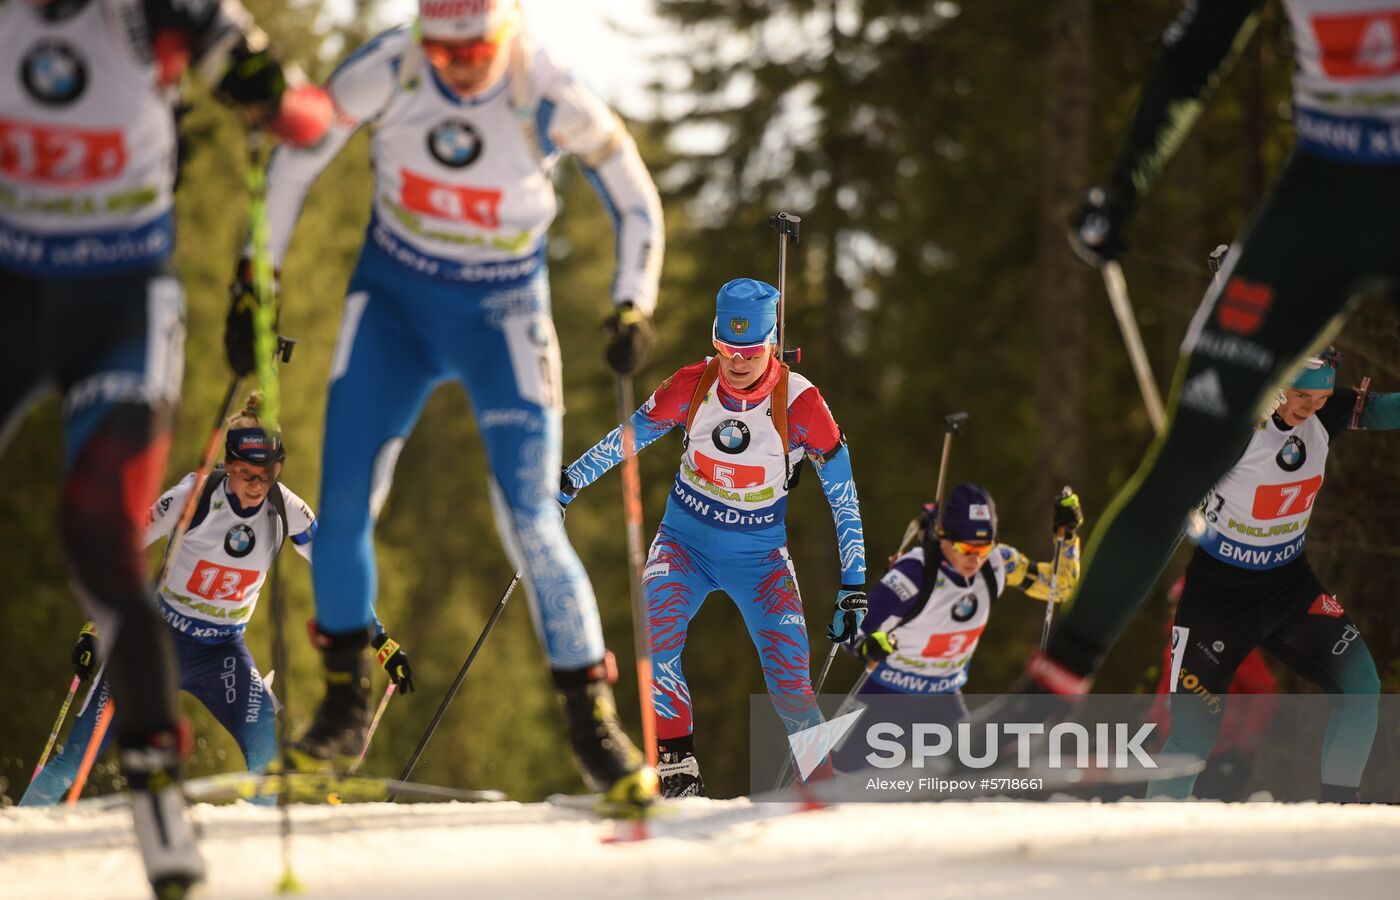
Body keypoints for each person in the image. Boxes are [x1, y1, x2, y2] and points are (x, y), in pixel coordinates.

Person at [237, 0, 665, 805]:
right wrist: (256, 278)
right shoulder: (392, 65)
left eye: (476, 51)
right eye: (444, 50)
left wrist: (631, 301)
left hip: (502, 314)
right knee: (344, 504)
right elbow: (296, 163)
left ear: (508, 35)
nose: (459, 66)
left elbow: (635, 196)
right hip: (393, 304)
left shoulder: (549, 89)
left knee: (530, 515)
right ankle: (340, 709)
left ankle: (593, 723)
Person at [1, 0, 329, 892]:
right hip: (16, 289)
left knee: (99, 536)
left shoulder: (162, 12)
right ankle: (40, 811)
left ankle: (153, 786)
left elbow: (297, 113)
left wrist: (281, 99)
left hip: (122, 302)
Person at [1024, 0, 1400, 721]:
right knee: (1191, 450)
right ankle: (1046, 697)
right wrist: (1125, 180)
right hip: (1318, 198)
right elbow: (1195, 51)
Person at [560, 277, 867, 797]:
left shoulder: (802, 403)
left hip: (760, 558)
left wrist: (853, 582)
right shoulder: (692, 385)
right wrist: (568, 481)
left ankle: (822, 784)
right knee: (654, 638)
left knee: (791, 682)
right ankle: (678, 768)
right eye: (726, 348)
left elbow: (843, 494)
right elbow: (628, 438)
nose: (737, 361)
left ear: (771, 343)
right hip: (685, 545)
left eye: (749, 350)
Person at [21, 395, 320, 807]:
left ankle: (254, 858)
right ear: (228, 465)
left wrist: (375, 638)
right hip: (155, 642)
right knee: (73, 763)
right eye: (246, 473)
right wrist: (95, 627)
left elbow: (334, 568)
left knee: (267, 761)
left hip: (221, 653)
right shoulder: (192, 496)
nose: (256, 485)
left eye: (266, 475)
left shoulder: (288, 510)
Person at [1141, 352, 1394, 800]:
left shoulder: (1324, 412)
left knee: (1362, 687)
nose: (1309, 410)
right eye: (1300, 397)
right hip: (1218, 602)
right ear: (1277, 384)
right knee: (1193, 736)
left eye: (1319, 399)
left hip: (1289, 590)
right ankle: (1153, 839)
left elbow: (1383, 410)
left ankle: (1337, 815)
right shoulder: (1235, 431)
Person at [849, 484, 1082, 723]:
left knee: (973, 759)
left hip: (943, 698)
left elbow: (1060, 586)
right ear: (944, 538)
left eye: (984, 547)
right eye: (967, 548)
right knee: (836, 761)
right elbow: (850, 627)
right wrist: (866, 645)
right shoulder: (914, 573)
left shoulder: (998, 562)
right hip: (888, 695)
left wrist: (1068, 534)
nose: (976, 558)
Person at [1142, 577, 1279, 801]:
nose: (1176, 612)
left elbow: (1265, 695)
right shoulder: (1176, 644)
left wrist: (1243, 747)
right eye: (1174, 606)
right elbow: (1166, 694)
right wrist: (1150, 730)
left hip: (1220, 755)